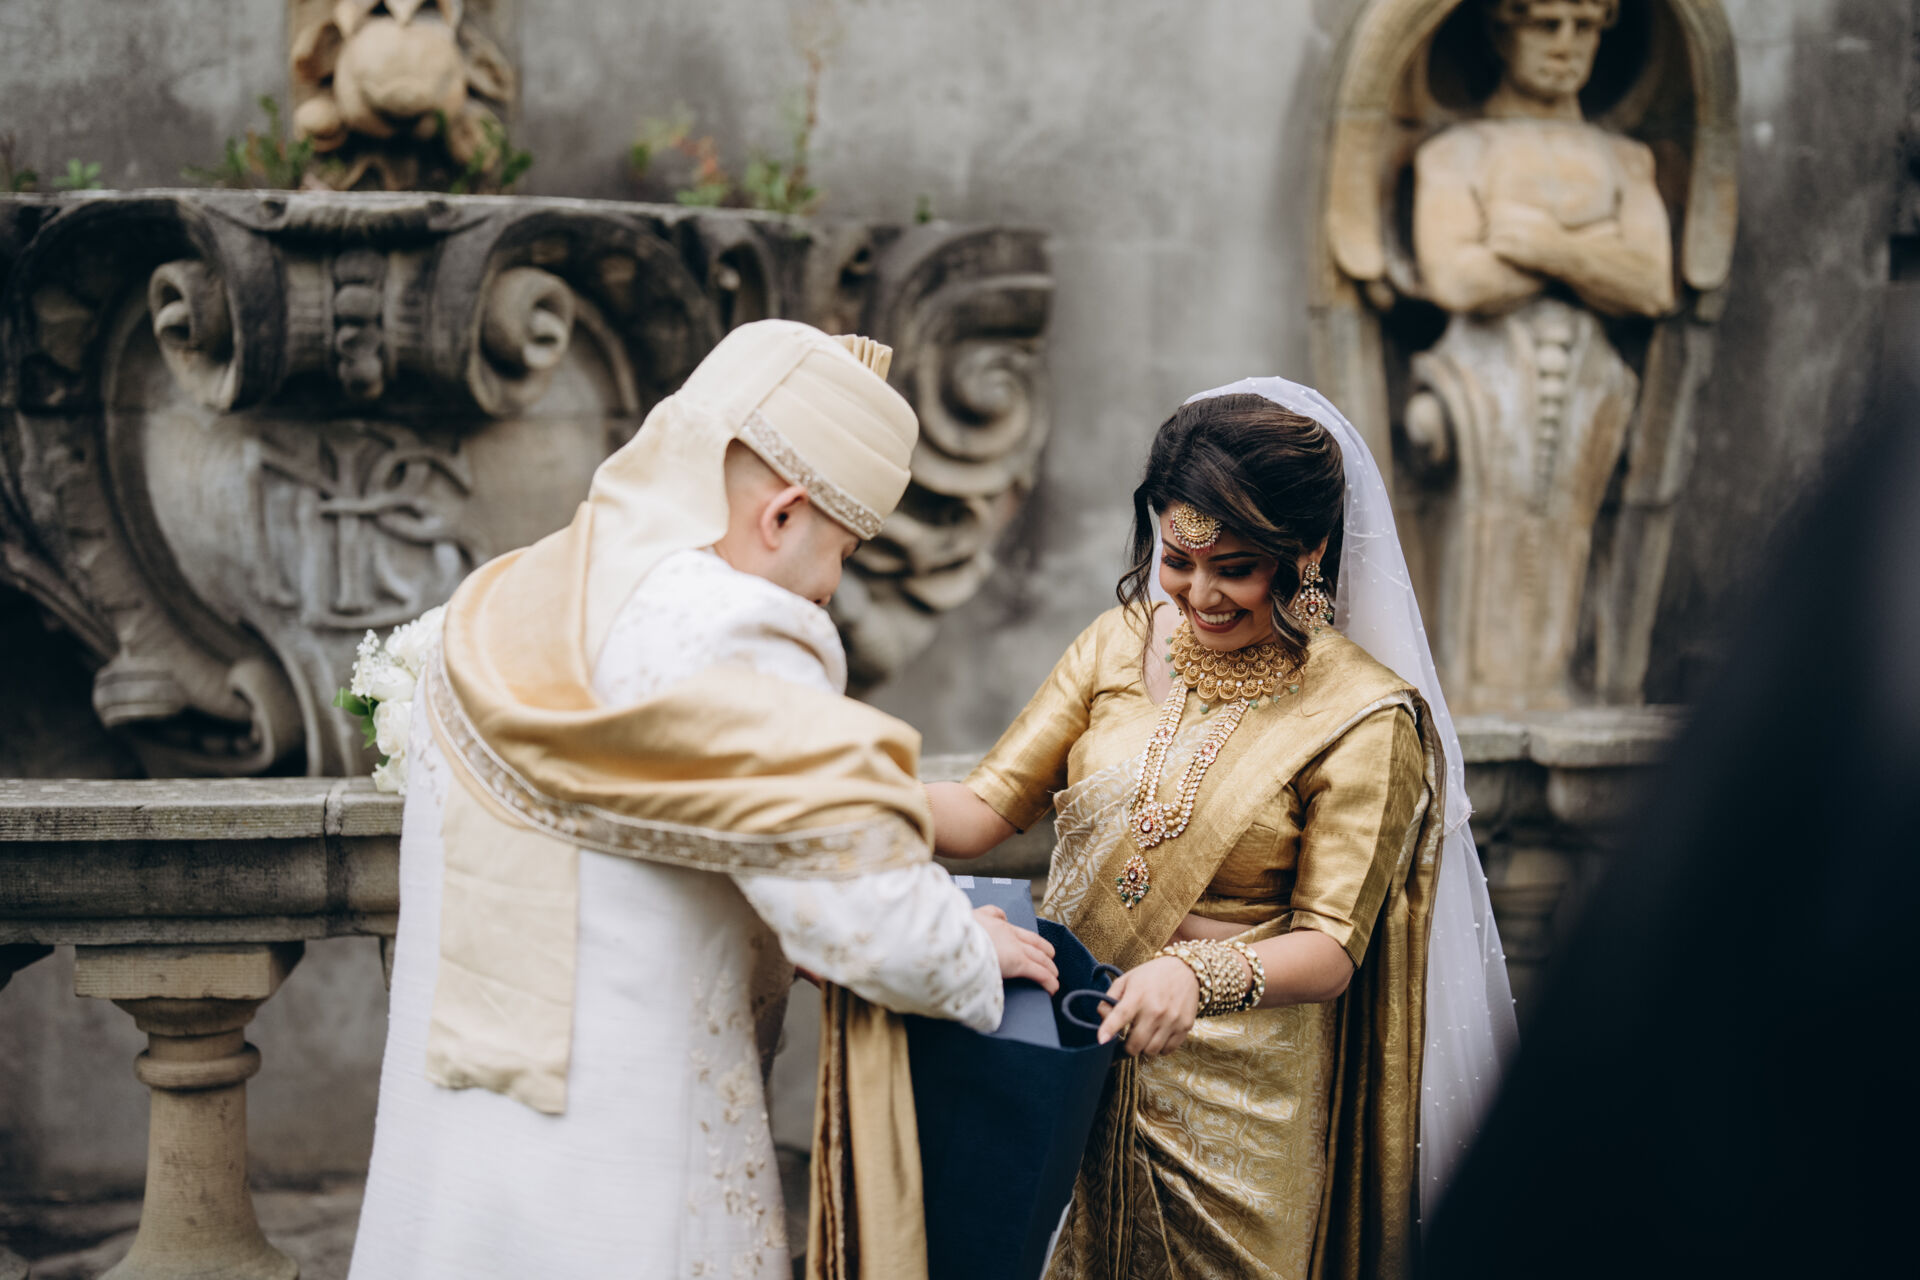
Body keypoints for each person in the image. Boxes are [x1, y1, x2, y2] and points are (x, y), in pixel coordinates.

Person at [347, 319, 1057, 1280]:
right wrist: (969, 946)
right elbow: (866, 913)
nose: (831, 586)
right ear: (784, 515)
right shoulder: (733, 626)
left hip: (457, 1156)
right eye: (845, 550)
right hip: (627, 1168)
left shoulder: (499, 600)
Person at [931, 379, 1515, 1279]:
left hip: (1241, 1112)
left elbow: (1331, 948)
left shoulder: (1362, 716)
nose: (1198, 593)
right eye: (1176, 559)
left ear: (1305, 554)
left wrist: (1194, 974)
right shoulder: (1118, 643)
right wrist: (842, 790)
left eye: (1234, 568)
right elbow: (981, 812)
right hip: (1080, 1053)